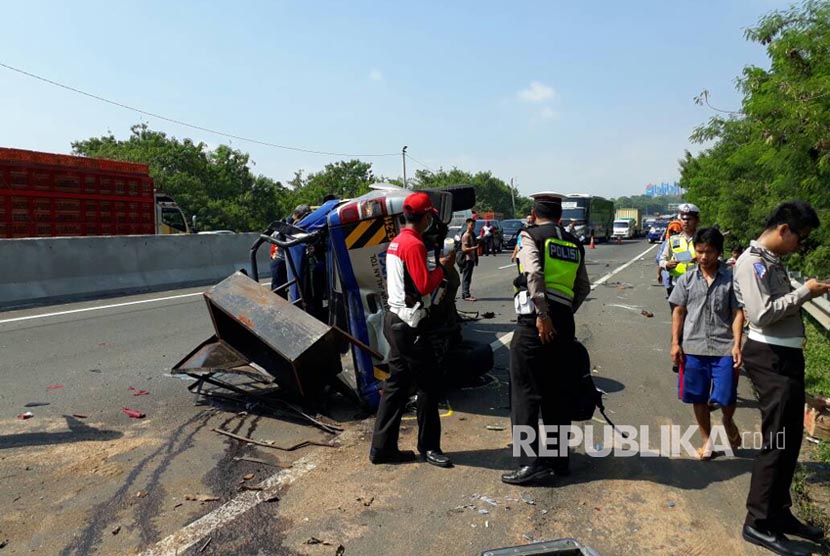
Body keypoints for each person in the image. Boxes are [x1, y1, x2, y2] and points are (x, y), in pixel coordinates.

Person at [734, 201, 830, 555]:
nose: (800, 245)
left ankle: (779, 512)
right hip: (770, 359)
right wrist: (807, 291)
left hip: (786, 358)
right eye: (800, 237)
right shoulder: (752, 263)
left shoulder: (772, 262)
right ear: (783, 229)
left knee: (788, 442)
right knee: (776, 443)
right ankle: (757, 522)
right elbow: (761, 314)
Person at [502, 192, 591, 485]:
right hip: (564, 322)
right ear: (560, 216)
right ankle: (558, 460)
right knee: (557, 394)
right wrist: (562, 312)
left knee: (525, 393)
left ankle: (530, 463)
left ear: (533, 213)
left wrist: (543, 314)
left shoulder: (529, 236)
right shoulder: (573, 242)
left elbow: (534, 273)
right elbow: (582, 287)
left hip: (535, 322)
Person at [370, 191, 456, 468]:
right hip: (410, 325)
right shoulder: (414, 245)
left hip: (393, 320)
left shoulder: (396, 242)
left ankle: (382, 449)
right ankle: (429, 447)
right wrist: (442, 269)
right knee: (430, 384)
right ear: (427, 216)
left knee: (395, 386)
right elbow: (424, 285)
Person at [669, 227, 744, 460]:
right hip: (693, 347)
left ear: (719, 252)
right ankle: (706, 441)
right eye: (700, 251)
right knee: (698, 397)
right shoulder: (687, 279)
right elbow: (678, 311)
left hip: (724, 347)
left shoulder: (731, 279)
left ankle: (728, 421)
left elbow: (737, 313)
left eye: (709, 252)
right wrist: (675, 343)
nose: (703, 257)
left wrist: (737, 344)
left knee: (726, 396)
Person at [660, 205, 700, 373]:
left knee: (697, 322)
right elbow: (662, 259)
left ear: (697, 221)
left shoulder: (703, 239)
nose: (685, 222)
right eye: (683, 218)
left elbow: (717, 257)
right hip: (678, 286)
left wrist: (698, 259)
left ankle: (696, 355)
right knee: (679, 323)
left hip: (699, 286)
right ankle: (678, 357)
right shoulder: (673, 240)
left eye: (689, 219)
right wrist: (666, 265)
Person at [270, 204, 312, 296]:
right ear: (297, 215)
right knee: (278, 290)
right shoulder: (285, 224)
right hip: (281, 260)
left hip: (293, 261)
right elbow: (274, 237)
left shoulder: (303, 225)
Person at [459, 218, 479, 301]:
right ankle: (466, 294)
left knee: (468, 277)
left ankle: (466, 294)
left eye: (474, 225)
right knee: (466, 277)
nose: (473, 227)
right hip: (467, 259)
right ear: (467, 225)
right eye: (471, 225)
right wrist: (475, 247)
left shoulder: (471, 234)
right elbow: (464, 249)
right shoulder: (466, 235)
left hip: (471, 259)